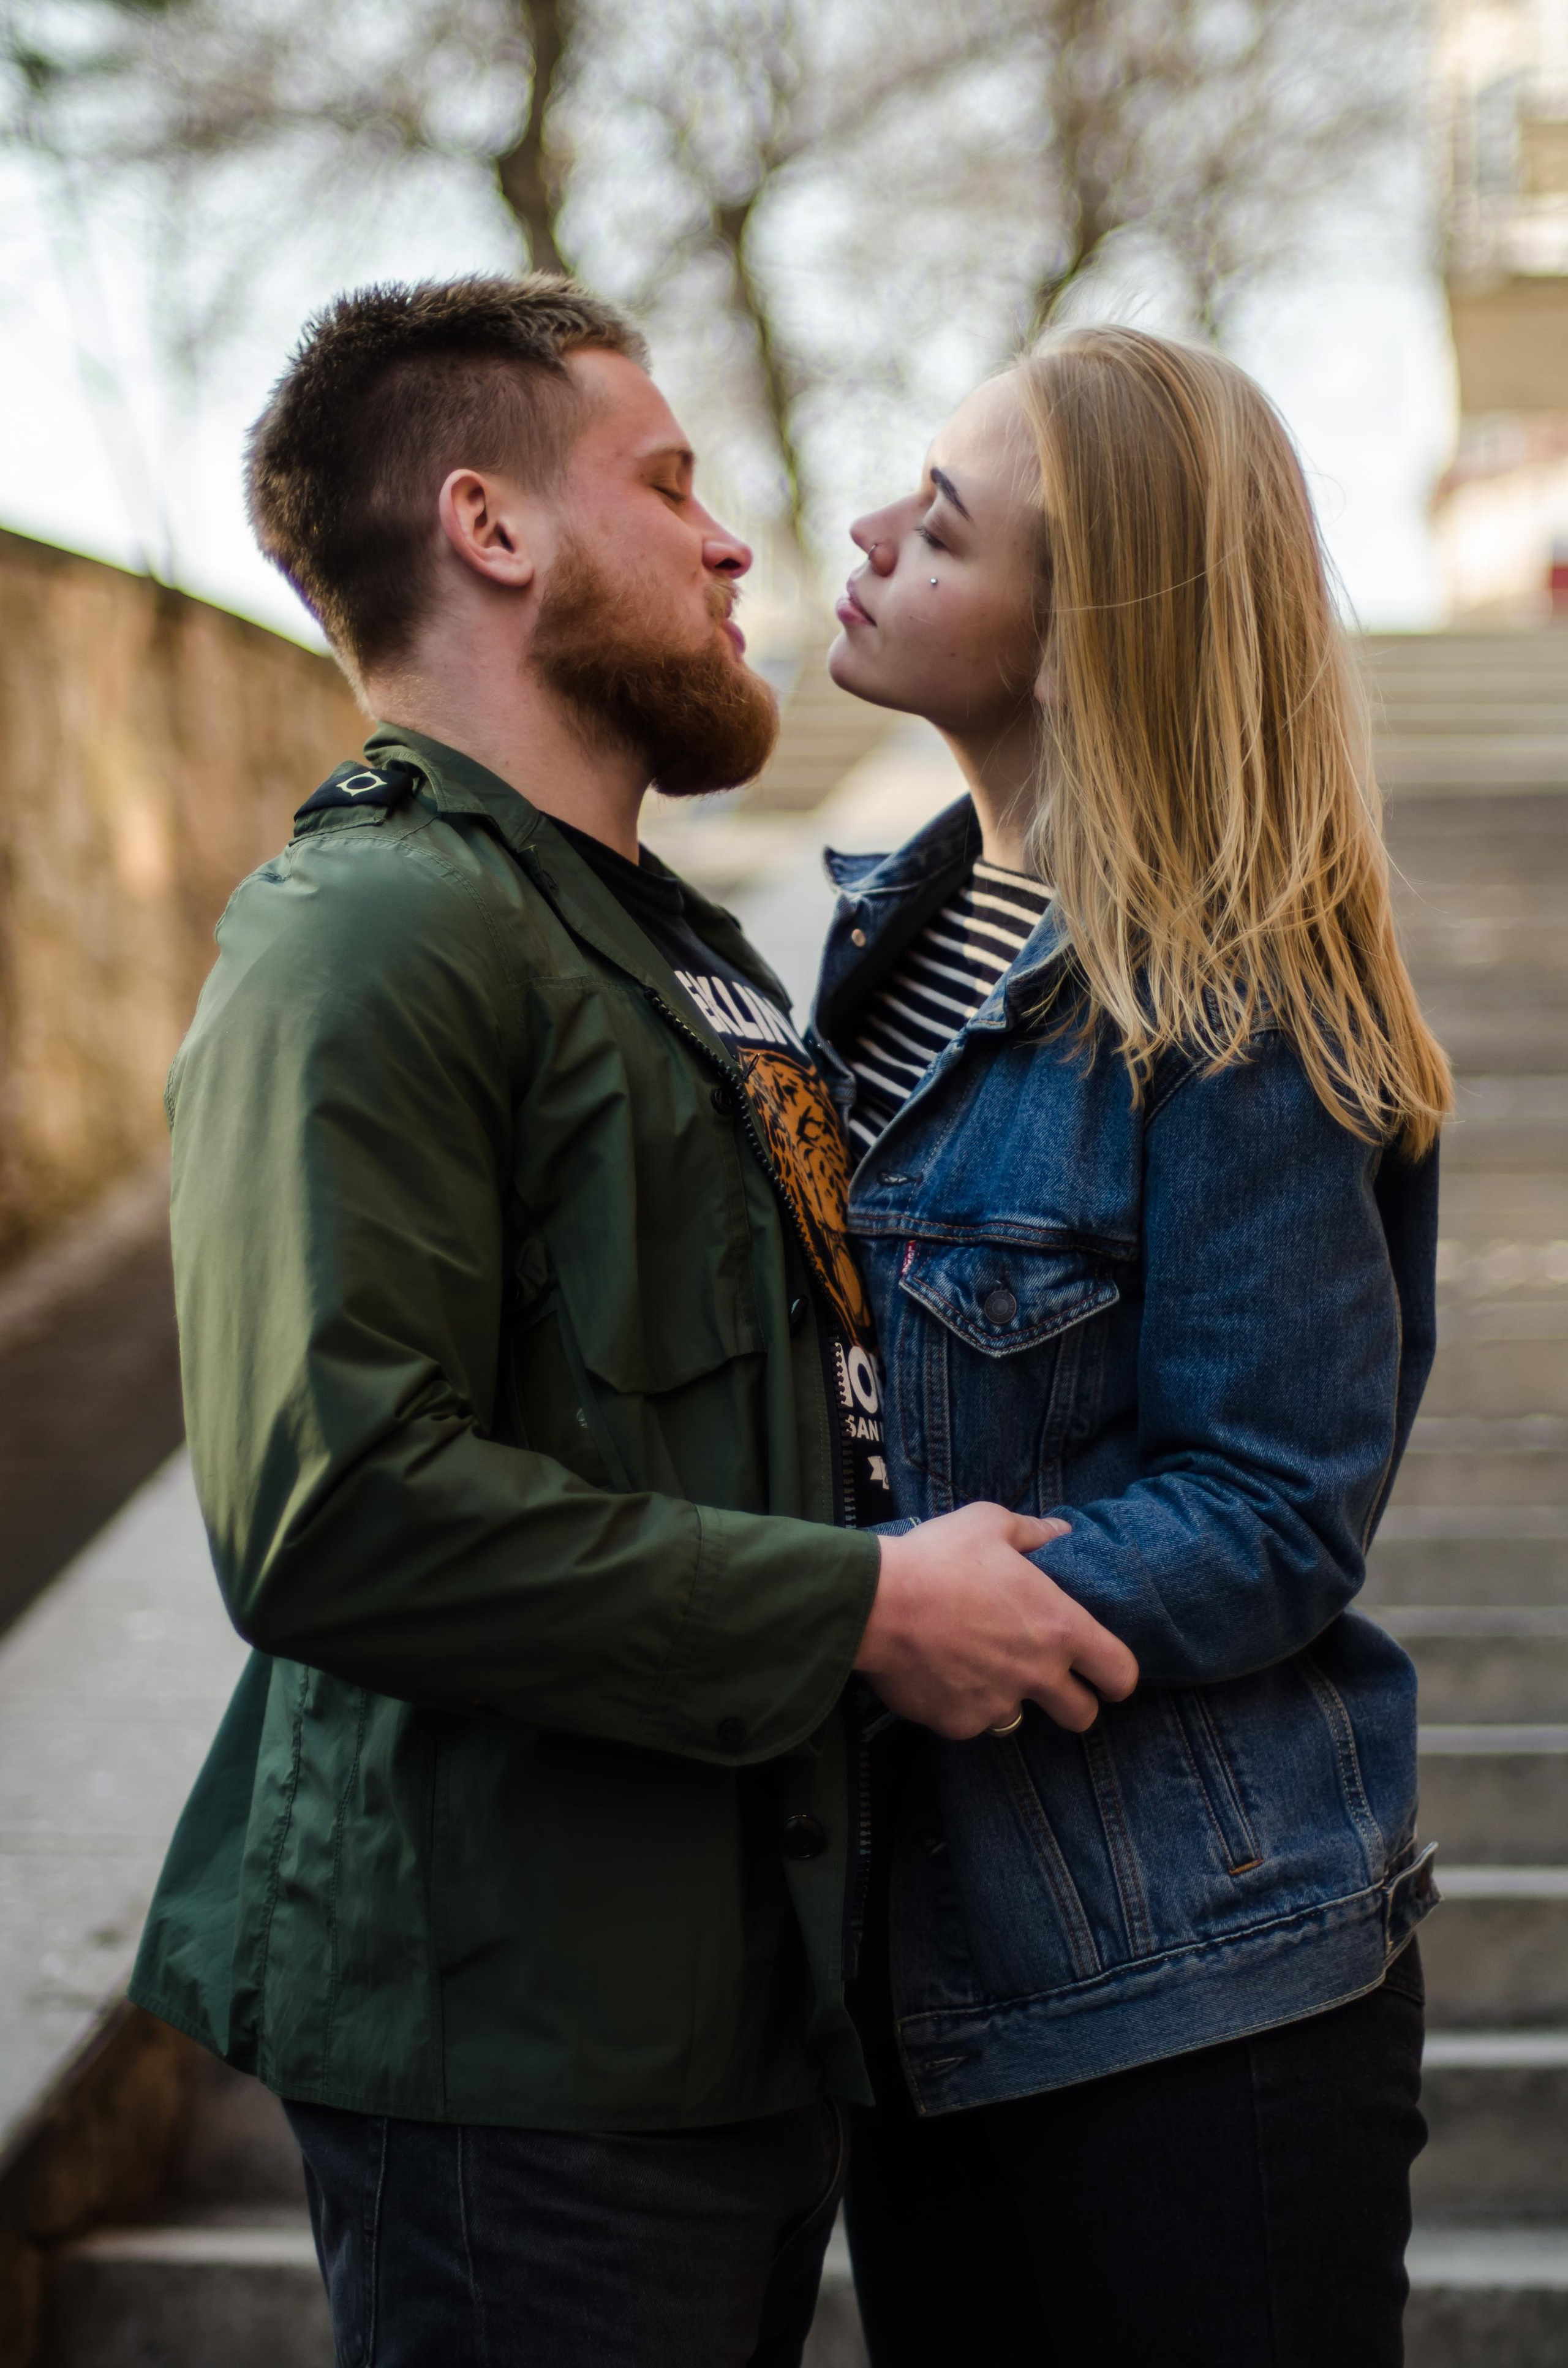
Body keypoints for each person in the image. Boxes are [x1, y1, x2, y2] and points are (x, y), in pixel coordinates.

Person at [127, 276, 1137, 2368]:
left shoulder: (662, 945)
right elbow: (333, 1510)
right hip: (512, 2052)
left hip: (728, 2034)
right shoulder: (375, 932)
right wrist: (859, 1607)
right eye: (666, 482)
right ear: (496, 530)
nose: (732, 535)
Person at [813, 325, 1452, 2367]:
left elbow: (1277, 1502)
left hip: (1198, 1991)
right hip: (917, 1988)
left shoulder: (1238, 1001)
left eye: (941, 523)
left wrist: (917, 1606)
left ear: (1086, 636)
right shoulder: (874, 949)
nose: (865, 536)